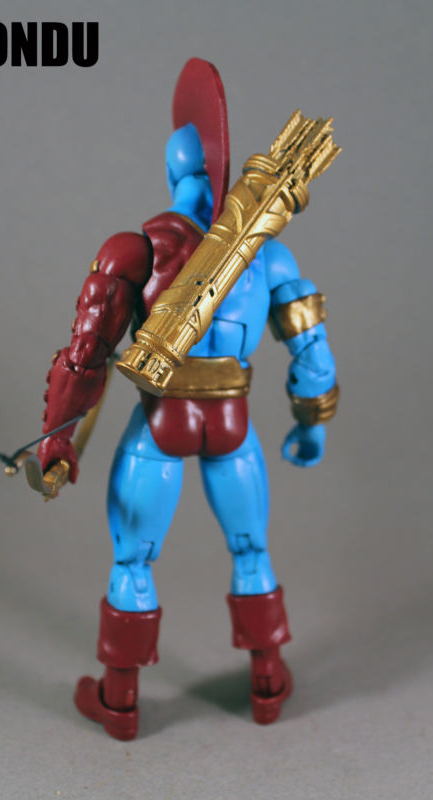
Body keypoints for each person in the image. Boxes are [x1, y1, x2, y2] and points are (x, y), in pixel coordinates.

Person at [37, 58, 338, 740]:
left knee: (133, 560)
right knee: (250, 549)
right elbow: (313, 355)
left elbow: (85, 355)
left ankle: (119, 701)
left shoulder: (135, 248)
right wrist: (311, 423)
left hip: (161, 423)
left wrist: (57, 440)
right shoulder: (269, 257)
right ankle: (267, 683)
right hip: (232, 426)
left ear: (173, 172)